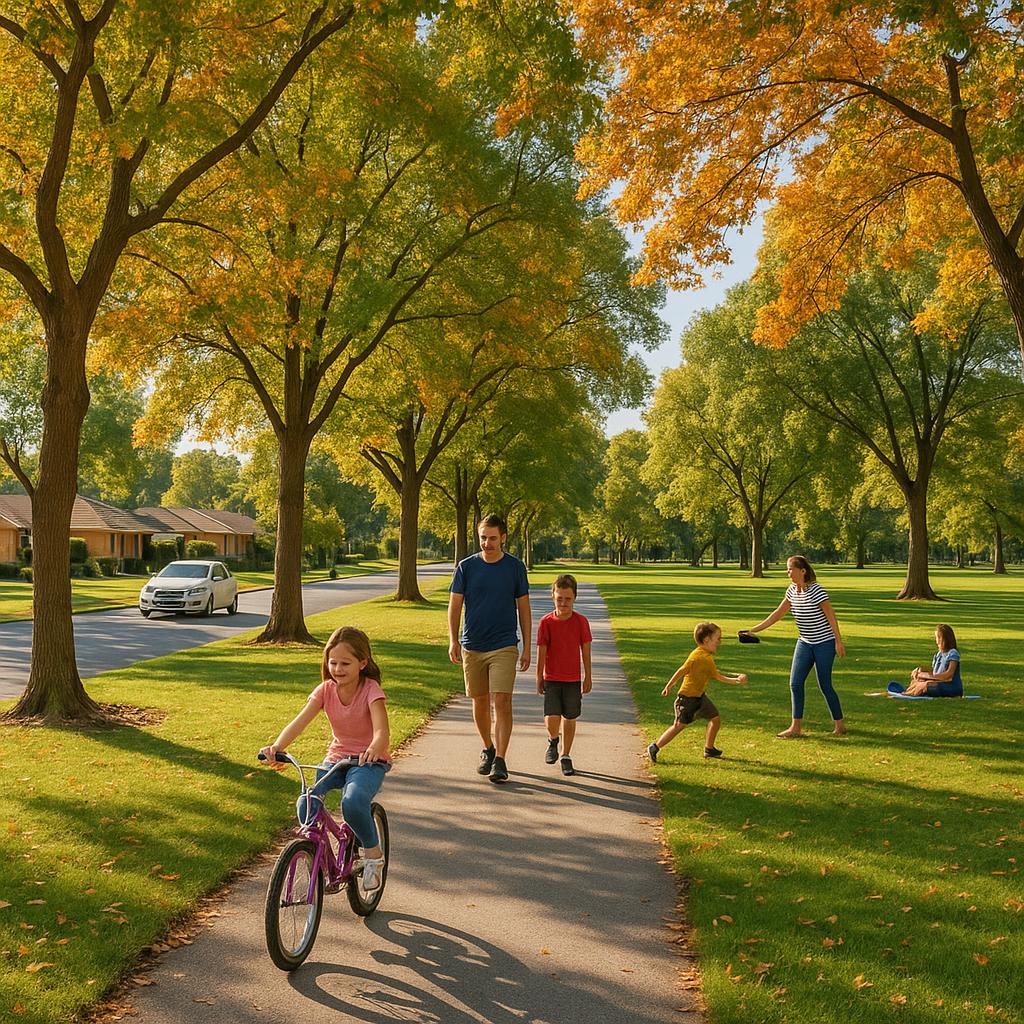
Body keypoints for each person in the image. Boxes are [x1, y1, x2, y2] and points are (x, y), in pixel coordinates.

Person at [260, 626, 390, 891]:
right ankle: (316, 854)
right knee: (307, 803)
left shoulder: (370, 689)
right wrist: (277, 746)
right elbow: (300, 721)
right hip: (336, 759)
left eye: (346, 663)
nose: (338, 669)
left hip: (367, 762)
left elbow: (381, 731)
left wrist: (375, 747)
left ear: (362, 663)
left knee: (353, 803)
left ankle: (373, 856)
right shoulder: (325, 690)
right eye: (333, 662)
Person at [448, 513, 531, 784]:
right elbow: (455, 604)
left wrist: (528, 645)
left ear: (503, 538)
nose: (487, 543)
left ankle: (501, 760)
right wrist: (453, 639)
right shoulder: (466, 567)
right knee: (479, 701)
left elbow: (524, 609)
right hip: (473, 645)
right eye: (483, 537)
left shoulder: (515, 567)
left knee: (501, 700)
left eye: (492, 538)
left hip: (504, 644)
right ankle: (488, 747)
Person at [744, 554, 847, 737]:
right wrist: (754, 630)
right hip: (804, 643)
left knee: (825, 685)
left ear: (802, 571)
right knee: (795, 683)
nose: (788, 572)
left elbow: (831, 617)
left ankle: (839, 725)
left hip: (824, 643)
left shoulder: (817, 591)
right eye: (788, 569)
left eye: (790, 569)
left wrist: (838, 642)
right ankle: (795, 728)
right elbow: (778, 613)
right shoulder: (792, 590)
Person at [647, 621, 747, 762]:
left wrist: (669, 685)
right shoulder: (701, 657)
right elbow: (717, 676)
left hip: (700, 697)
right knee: (678, 726)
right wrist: (737, 680)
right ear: (707, 640)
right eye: (718, 638)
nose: (720, 642)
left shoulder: (701, 653)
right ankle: (655, 747)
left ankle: (709, 749)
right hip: (687, 699)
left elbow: (683, 669)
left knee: (715, 718)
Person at [536, 573, 593, 776]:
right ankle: (553, 739)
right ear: (553, 596)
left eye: (568, 598)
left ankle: (566, 754)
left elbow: (585, 650)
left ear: (575, 598)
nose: (563, 602)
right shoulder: (546, 622)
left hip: (573, 678)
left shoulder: (581, 622)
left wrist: (588, 675)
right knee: (552, 716)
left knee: (570, 717)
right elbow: (541, 651)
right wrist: (538, 676)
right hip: (551, 677)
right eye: (559, 598)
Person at [901, 624, 963, 697]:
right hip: (939, 683)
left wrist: (922, 675)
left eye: (939, 638)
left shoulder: (953, 653)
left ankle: (907, 694)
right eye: (936, 638)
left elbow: (948, 676)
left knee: (927, 684)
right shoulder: (938, 654)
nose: (937, 641)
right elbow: (933, 672)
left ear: (947, 639)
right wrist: (919, 671)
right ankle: (908, 692)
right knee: (917, 681)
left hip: (951, 687)